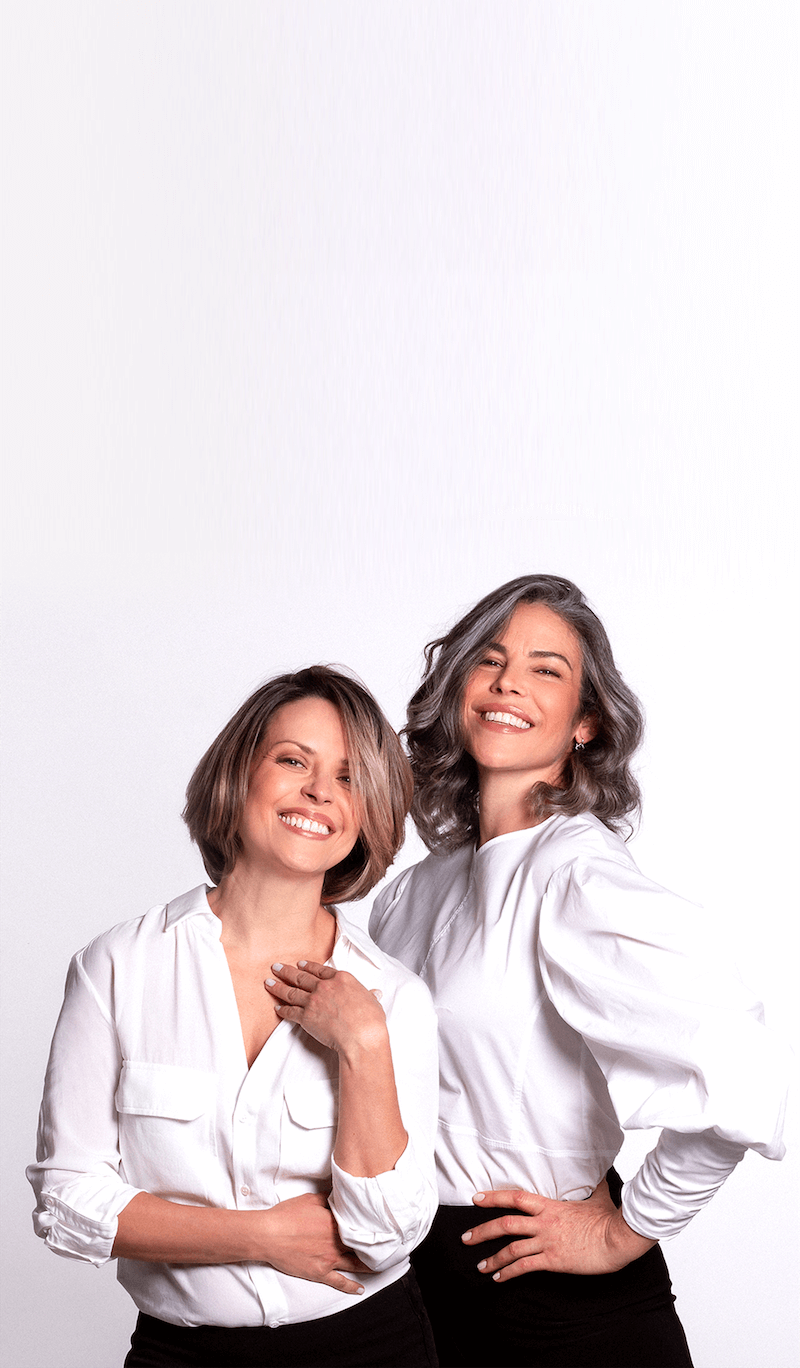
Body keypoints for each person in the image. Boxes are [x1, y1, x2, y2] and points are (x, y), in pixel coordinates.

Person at [369, 575, 788, 1368]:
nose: (508, 684)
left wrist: (624, 1229)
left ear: (586, 725)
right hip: (419, 1289)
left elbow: (740, 1063)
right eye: (489, 660)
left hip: (558, 1311)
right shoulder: (410, 895)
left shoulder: (576, 875)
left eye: (546, 670)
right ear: (457, 685)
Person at [28, 666, 439, 1368]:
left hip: (373, 1346)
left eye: (348, 778)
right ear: (237, 773)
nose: (318, 792)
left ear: (369, 814)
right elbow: (68, 1202)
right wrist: (261, 1236)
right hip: (183, 1354)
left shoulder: (392, 997)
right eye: (292, 760)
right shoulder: (120, 967)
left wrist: (365, 1046)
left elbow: (383, 1238)